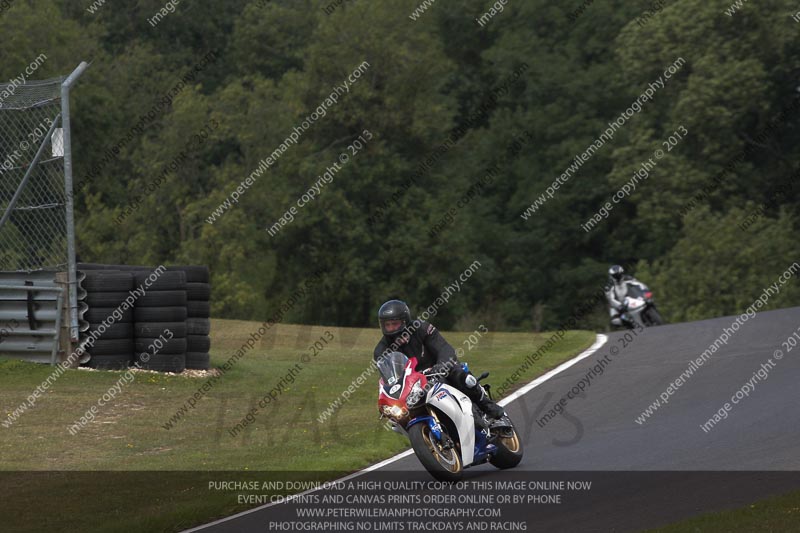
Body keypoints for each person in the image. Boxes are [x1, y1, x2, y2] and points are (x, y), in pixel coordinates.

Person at [373, 299, 505, 419]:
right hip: (414, 386)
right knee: (398, 419)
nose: (391, 328)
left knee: (462, 377)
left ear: (405, 321)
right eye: (387, 325)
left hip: (438, 370)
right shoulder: (381, 351)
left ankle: (486, 405)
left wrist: (441, 365)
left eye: (394, 324)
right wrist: (387, 398)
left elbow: (443, 348)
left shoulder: (422, 328)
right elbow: (389, 379)